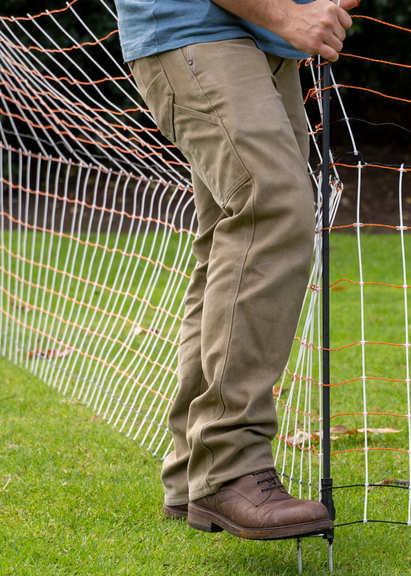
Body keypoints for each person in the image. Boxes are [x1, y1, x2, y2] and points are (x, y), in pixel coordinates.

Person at [113, 0, 354, 540]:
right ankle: (230, 465)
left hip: (263, 41)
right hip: (198, 30)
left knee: (231, 237)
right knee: (273, 207)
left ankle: (194, 472)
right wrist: (289, 17)